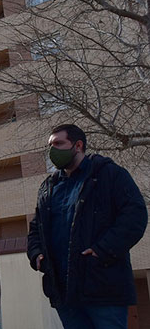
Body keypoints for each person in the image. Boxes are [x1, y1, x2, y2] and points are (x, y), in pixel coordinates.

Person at [27, 124, 147, 329]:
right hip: (64, 293)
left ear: (78, 145)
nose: (52, 151)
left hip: (104, 288)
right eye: (49, 145)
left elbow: (134, 217)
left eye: (58, 143)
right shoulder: (49, 187)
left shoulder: (109, 174)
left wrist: (101, 251)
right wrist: (37, 254)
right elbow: (36, 228)